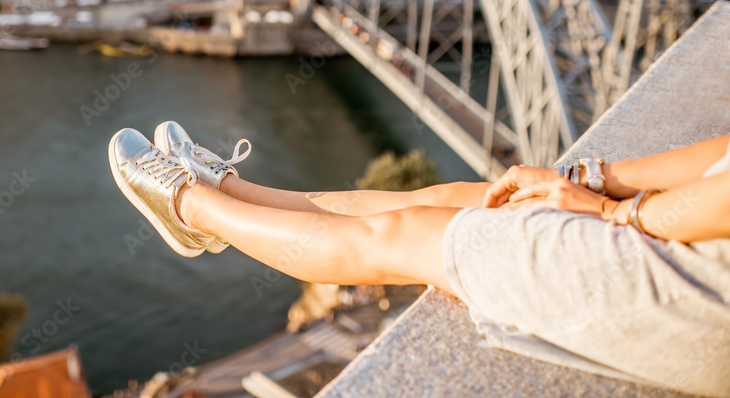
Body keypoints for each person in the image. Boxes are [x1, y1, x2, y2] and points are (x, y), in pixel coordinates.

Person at [108, 121, 730, 397]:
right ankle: (233, 191)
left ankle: (190, 209)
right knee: (446, 197)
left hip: (704, 277)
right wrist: (592, 178)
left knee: (403, 235)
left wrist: (617, 214)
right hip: (703, 221)